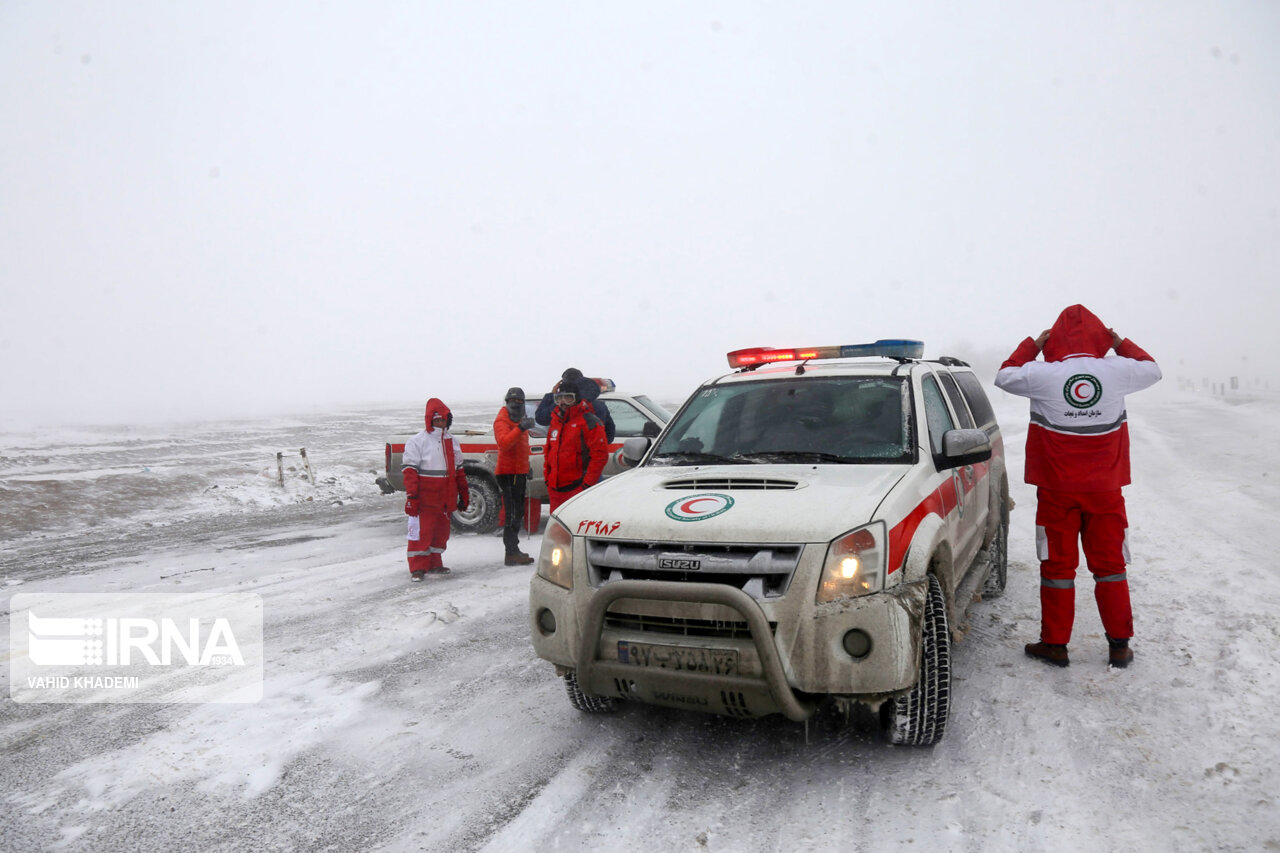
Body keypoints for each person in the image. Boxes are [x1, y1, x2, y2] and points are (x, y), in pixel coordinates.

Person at [994, 305, 1162, 668]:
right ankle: (1120, 646)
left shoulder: (1042, 373)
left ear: (1055, 337)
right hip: (1105, 491)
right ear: (1100, 335)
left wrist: (1033, 346)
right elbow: (1153, 369)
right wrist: (1120, 344)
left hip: (1056, 491)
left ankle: (1055, 645)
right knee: (1111, 567)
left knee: (1057, 568)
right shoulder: (1116, 370)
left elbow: (1004, 377)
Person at [402, 398, 470, 581]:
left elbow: (459, 470)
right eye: (437, 420)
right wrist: (412, 496)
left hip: (445, 497)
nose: (440, 423)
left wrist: (464, 493)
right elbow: (410, 472)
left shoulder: (452, 442)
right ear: (429, 420)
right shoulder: (417, 442)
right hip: (425, 497)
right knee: (420, 533)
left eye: (443, 420)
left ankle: (434, 562)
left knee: (441, 532)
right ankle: (418, 567)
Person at [544, 381, 608, 512]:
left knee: (576, 527)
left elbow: (600, 455)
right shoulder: (555, 420)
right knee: (557, 529)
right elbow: (549, 452)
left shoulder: (589, 421)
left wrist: (587, 484)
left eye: (568, 398)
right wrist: (548, 478)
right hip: (555, 490)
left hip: (577, 488)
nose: (563, 402)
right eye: (559, 398)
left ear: (576, 398)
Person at [494, 387, 536, 566]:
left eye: (520, 402)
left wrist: (527, 467)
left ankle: (513, 550)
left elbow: (521, 448)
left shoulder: (519, 419)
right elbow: (504, 444)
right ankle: (511, 552)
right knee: (512, 514)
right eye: (513, 401)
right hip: (507, 473)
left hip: (518, 472)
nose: (517, 404)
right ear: (507, 402)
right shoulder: (502, 420)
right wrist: (520, 428)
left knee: (517, 512)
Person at [536, 367, 616, 443]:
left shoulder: (563, 406)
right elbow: (610, 433)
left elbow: (541, 419)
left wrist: (552, 395)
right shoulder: (599, 405)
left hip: (568, 453)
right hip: (591, 453)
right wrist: (596, 444)